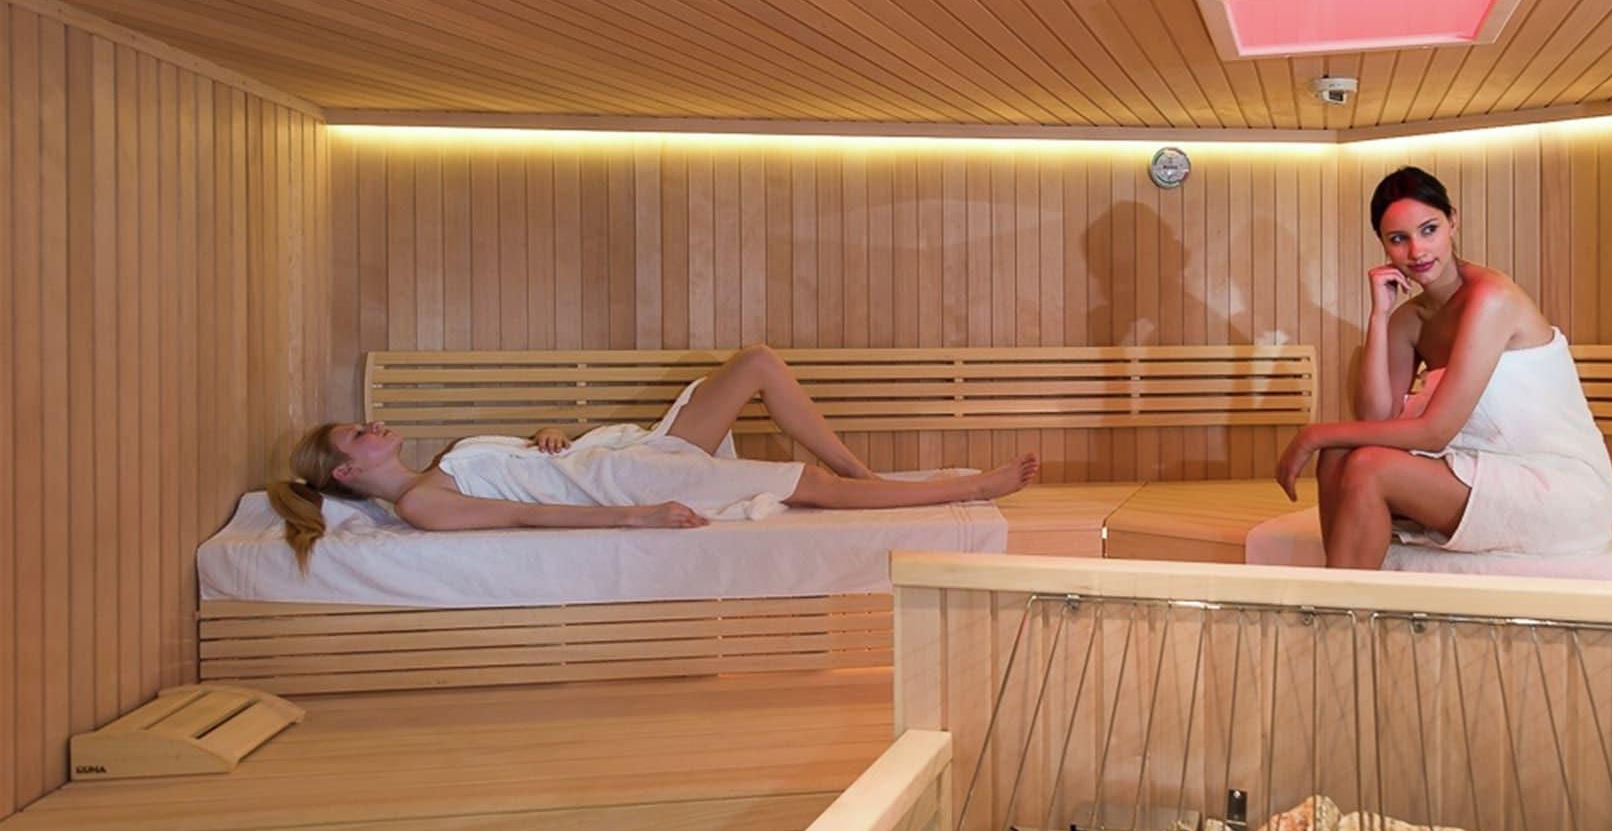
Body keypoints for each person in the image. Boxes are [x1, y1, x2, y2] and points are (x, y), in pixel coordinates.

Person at [269, 344, 1039, 570]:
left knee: (757, 362)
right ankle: (969, 489)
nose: (373, 424)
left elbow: (525, 470)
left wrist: (546, 435)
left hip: (620, 452)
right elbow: (529, 514)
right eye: (358, 434)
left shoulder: (443, 463)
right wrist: (637, 515)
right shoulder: (420, 503)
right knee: (805, 486)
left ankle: (865, 476)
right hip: (624, 480)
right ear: (346, 473)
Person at [1275, 167, 1612, 569]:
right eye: (1398, 239)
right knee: (1338, 456)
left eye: (1429, 230)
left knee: (1367, 466)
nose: (1417, 251)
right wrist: (1379, 317)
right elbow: (1375, 419)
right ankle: (1342, 588)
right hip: (1479, 471)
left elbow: (1435, 433)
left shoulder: (1491, 299)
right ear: (1383, 244)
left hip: (1555, 487)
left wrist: (1313, 435)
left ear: (1452, 221)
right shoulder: (1409, 319)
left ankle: (1340, 600)